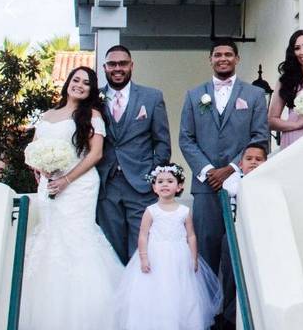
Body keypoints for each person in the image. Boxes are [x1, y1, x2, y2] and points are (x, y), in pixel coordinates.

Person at [20, 66, 123, 330]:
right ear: (68, 82)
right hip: (48, 184)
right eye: (75, 80)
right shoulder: (47, 115)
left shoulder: (91, 115)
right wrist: (41, 169)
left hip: (79, 186)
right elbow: (32, 150)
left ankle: (87, 317)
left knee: (76, 238)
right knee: (51, 237)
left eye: (86, 83)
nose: (79, 85)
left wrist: (66, 179)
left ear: (91, 90)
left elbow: (95, 154)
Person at [179, 38, 269, 276]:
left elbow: (259, 137)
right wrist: (208, 171)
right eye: (217, 55)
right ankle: (206, 310)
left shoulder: (255, 95)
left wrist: (230, 168)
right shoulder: (193, 95)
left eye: (228, 54)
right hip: (205, 185)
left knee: (237, 249)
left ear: (237, 59)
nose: (223, 58)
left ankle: (231, 312)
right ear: (210, 59)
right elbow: (186, 138)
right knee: (204, 248)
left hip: (240, 183)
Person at [114, 163, 223, 330]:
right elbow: (143, 235)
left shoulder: (184, 211)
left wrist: (193, 258)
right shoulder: (151, 210)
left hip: (179, 256)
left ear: (179, 186)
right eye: (160, 181)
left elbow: (191, 236)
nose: (165, 184)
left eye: (170, 181)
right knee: (156, 290)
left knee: (181, 290)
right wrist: (143, 257)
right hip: (155, 255)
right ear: (154, 187)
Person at [96, 44, 172, 264]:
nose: (117, 68)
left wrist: (152, 177)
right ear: (104, 67)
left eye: (122, 63)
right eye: (112, 64)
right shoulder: (94, 98)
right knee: (110, 248)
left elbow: (162, 142)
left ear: (131, 65)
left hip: (141, 184)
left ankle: (139, 297)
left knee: (141, 247)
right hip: (106, 184)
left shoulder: (152, 97)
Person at [220, 144, 268, 330]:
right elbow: (232, 189)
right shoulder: (233, 181)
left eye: (259, 159)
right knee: (231, 279)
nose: (254, 162)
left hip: (259, 239)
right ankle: (229, 320)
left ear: (266, 162)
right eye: (249, 159)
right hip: (234, 237)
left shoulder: (268, 179)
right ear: (240, 163)